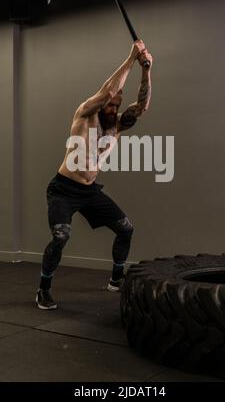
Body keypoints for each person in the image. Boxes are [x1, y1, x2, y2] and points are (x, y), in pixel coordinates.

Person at [36, 40, 153, 309]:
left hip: (89, 191)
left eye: (118, 105)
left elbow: (142, 106)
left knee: (126, 229)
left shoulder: (117, 125)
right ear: (101, 105)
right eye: (111, 105)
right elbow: (109, 90)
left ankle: (116, 279)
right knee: (61, 236)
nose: (115, 108)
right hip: (64, 189)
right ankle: (43, 288)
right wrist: (131, 59)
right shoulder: (85, 114)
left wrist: (146, 70)